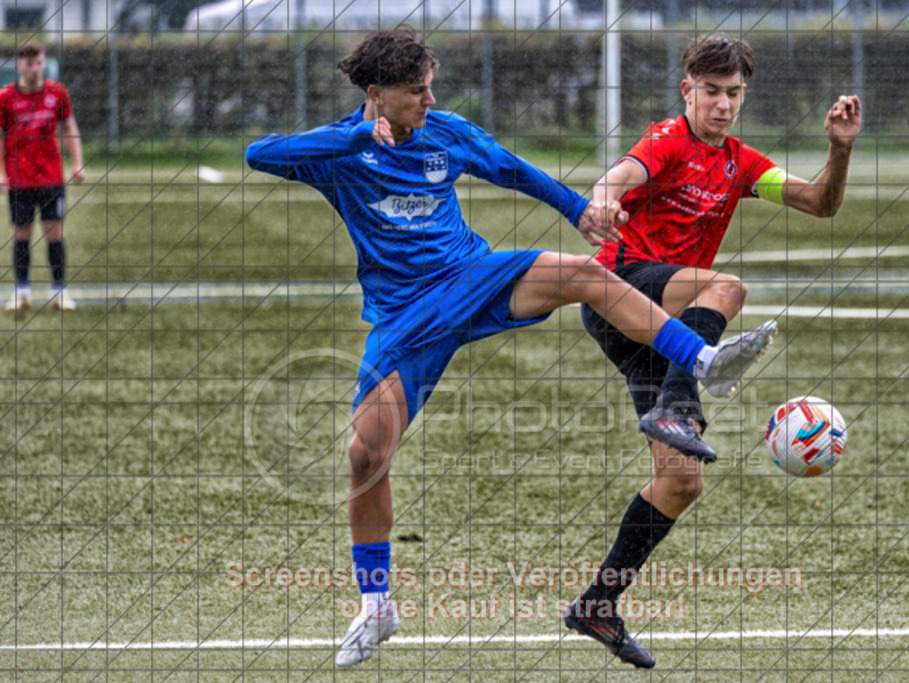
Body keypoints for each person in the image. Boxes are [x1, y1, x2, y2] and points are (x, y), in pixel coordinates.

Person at [245, 26, 777, 667]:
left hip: (473, 278)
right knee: (366, 453)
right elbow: (260, 152)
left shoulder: (448, 132)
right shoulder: (339, 150)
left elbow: (515, 171)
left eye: (431, 86)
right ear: (376, 93)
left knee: (582, 273)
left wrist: (580, 209)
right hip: (403, 317)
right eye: (417, 91)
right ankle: (377, 604)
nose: (430, 99)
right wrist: (355, 135)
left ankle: (701, 359)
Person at [564, 32, 862, 668]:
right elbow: (625, 172)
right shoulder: (669, 139)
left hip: (662, 317)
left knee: (680, 482)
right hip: (618, 288)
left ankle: (598, 604)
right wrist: (605, 195)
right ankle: (679, 396)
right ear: (688, 91)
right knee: (727, 286)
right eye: (711, 92)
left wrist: (840, 152)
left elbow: (820, 203)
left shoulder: (742, 163)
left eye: (734, 94)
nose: (723, 104)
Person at [0, 41, 84, 311]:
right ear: (18, 65)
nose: (33, 68)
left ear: (43, 63)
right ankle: (22, 292)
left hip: (50, 178)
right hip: (19, 179)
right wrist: (1, 172)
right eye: (27, 63)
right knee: (22, 235)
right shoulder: (5, 97)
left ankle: (60, 292)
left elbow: (69, 126)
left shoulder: (57, 93)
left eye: (37, 62)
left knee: (55, 235)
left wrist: (77, 162)